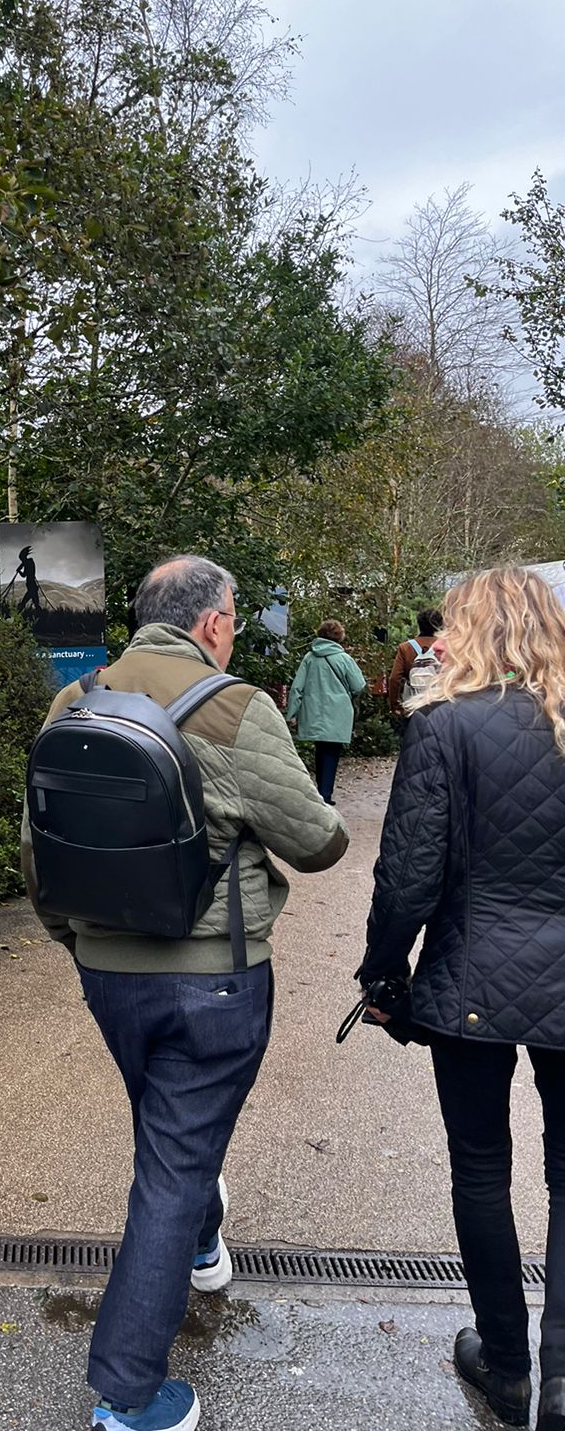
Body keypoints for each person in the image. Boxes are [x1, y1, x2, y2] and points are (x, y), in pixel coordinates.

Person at [22, 554, 349, 1431]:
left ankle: (203, 1242)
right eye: (234, 617)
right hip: (215, 980)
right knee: (171, 1166)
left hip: (108, 976)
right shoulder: (236, 708)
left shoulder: (74, 703)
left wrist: (80, 947)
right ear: (210, 623)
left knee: (171, 1135)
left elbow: (38, 851)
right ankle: (128, 1397)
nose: (232, 631)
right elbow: (316, 843)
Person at [357, 567, 565, 1431]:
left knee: (481, 1166)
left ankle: (507, 1364)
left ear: (469, 632)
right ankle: (564, 1383)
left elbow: (408, 876)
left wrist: (381, 971)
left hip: (469, 979)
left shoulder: (442, 729)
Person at [285, 620, 366, 804]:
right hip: (338, 713)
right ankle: (325, 795)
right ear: (339, 637)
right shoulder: (344, 659)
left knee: (320, 750)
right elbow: (359, 685)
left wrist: (291, 714)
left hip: (313, 712)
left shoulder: (309, 658)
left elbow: (297, 688)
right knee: (331, 752)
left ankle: (321, 792)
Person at [387, 607, 443, 720]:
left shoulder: (405, 648)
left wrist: (395, 705)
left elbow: (394, 679)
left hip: (413, 704)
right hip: (440, 703)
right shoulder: (445, 647)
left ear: (419, 625)